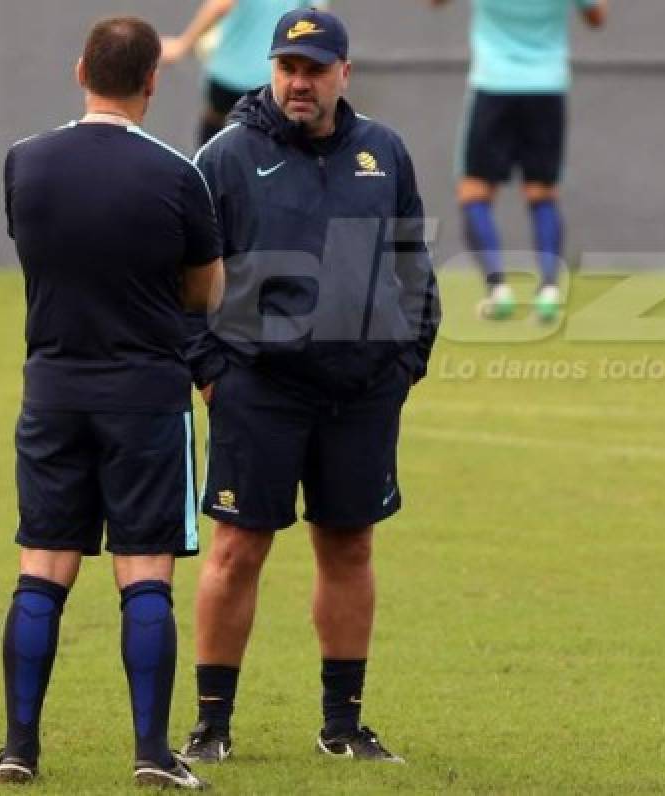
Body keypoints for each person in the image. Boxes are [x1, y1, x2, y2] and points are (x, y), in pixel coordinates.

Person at [178, 7, 440, 765]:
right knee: (236, 550)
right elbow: (184, 283)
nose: (300, 83)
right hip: (257, 389)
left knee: (350, 548)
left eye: (315, 69)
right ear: (271, 70)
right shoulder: (225, 157)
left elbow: (412, 264)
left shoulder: (383, 153)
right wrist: (213, 374)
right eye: (288, 68)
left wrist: (405, 360)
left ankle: (343, 725)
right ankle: (210, 725)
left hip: (361, 393)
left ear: (343, 74)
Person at [0, 16, 223, 790]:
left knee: (43, 568)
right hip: (145, 399)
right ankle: (154, 755)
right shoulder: (178, 174)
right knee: (144, 572)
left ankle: (18, 749)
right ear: (153, 81)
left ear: (79, 68)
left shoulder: (25, 162)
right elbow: (206, 291)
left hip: (53, 392)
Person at [431, 0, 606, 323]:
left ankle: (498, 289)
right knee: (542, 192)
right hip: (547, 87)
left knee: (475, 191)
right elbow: (597, 17)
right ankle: (549, 289)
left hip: (493, 84)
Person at [161, 0, 329, 148]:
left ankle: (205, 175)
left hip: (227, 73)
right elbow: (316, 18)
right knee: (266, 137)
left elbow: (220, 5)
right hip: (270, 78)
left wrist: (183, 44)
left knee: (214, 124)